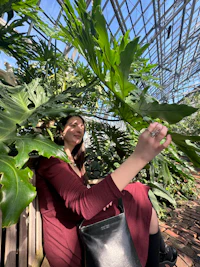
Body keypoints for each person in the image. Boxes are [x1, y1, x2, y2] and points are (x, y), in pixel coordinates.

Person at [36, 115, 177, 267]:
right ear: (61, 131)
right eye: (73, 124)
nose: (79, 128)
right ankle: (160, 255)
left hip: (85, 228)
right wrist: (139, 158)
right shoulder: (52, 160)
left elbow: (81, 195)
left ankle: (159, 256)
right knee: (136, 193)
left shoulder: (75, 162)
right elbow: (83, 205)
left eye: (82, 126)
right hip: (74, 243)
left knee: (138, 195)